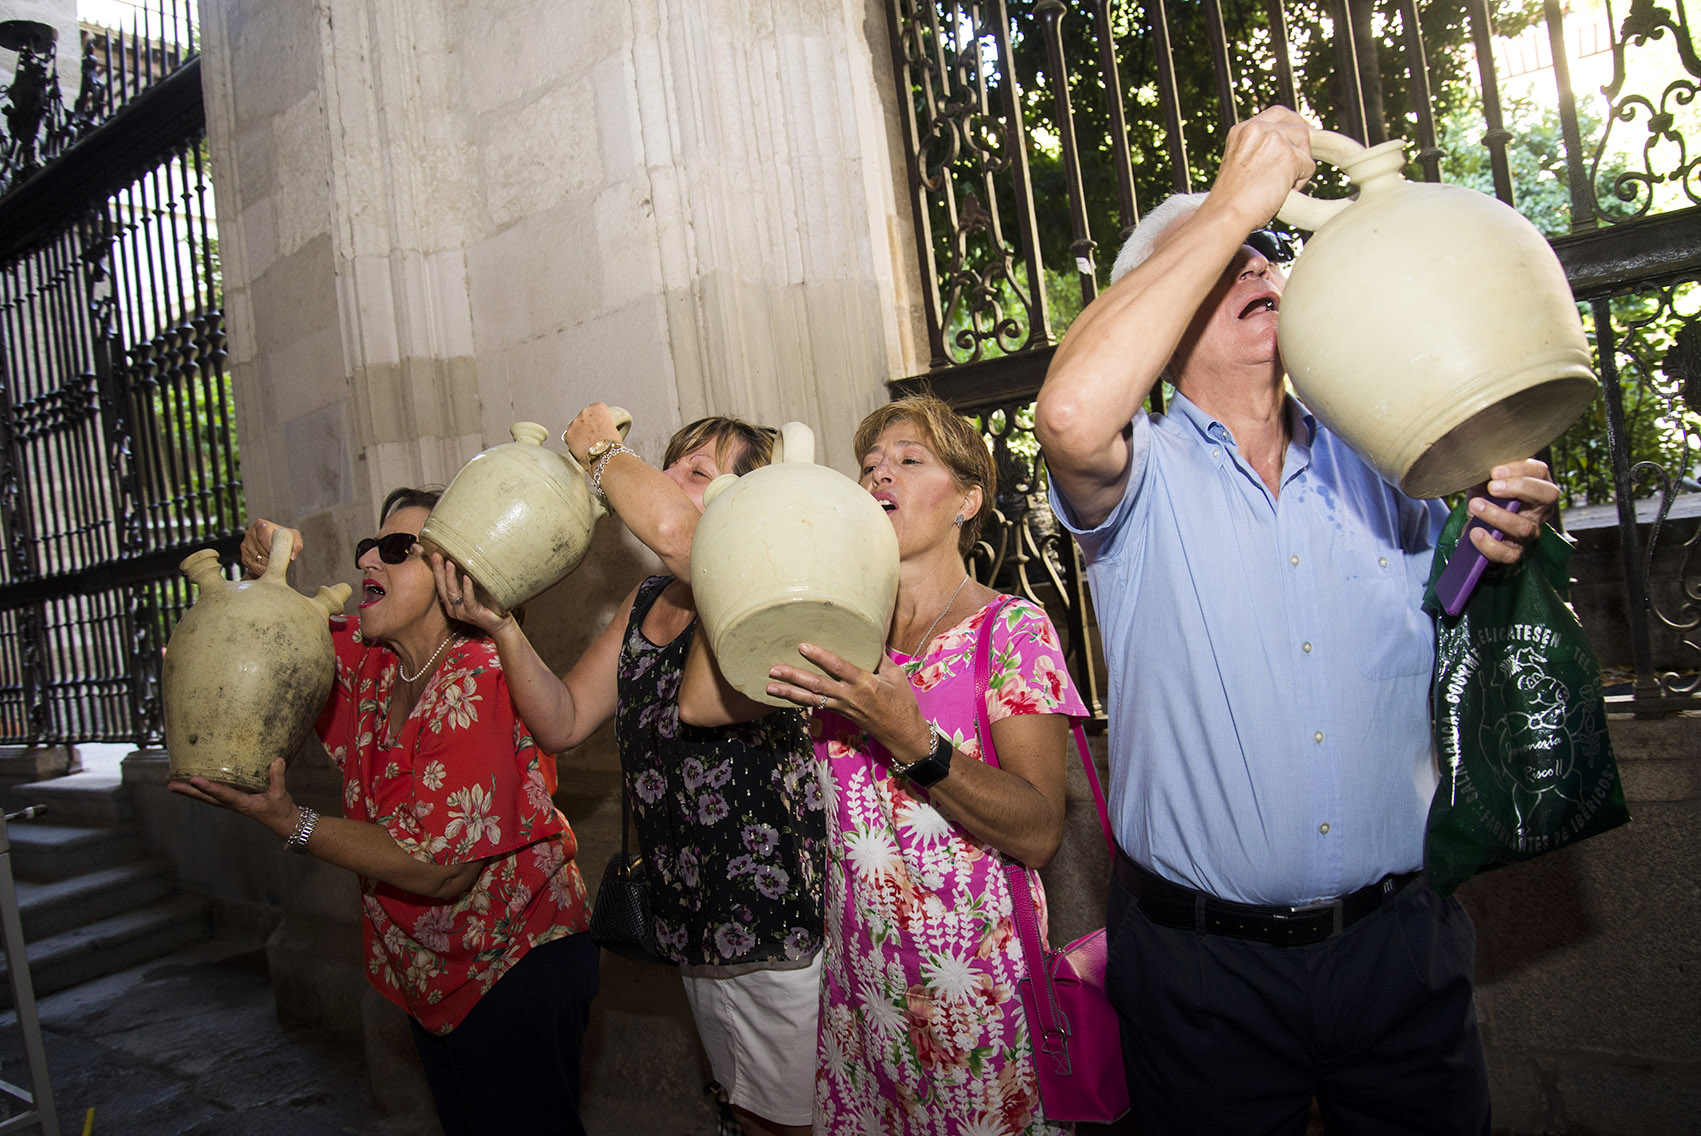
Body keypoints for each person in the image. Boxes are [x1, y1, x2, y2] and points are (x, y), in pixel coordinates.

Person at [1032, 105, 1563, 1134]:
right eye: (1223, 258)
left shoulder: (1389, 454)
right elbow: (1067, 413)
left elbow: (1451, 611)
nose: (1257, 262)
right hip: (1203, 977)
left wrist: (1497, 536)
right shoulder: (1138, 480)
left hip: (1402, 950)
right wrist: (1230, 204)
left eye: (1268, 249)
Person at [435, 406, 824, 1136]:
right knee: (744, 1111)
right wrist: (501, 624)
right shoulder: (644, 603)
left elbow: (685, 539)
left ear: (745, 499)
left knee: (795, 1119)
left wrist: (602, 453)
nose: (671, 478)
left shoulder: (758, 585)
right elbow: (562, 720)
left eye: (699, 471)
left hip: (771, 913)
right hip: (692, 913)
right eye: (672, 462)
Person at [169, 488, 597, 1136]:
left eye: (398, 549)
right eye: (370, 545)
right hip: (428, 972)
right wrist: (267, 569)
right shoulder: (372, 665)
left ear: (456, 576)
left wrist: (291, 822)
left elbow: (438, 871)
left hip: (513, 965)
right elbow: (269, 643)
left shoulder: (478, 677)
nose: (369, 558)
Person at [753, 394, 1089, 1136]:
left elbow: (1037, 833)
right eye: (870, 465)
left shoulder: (1009, 631)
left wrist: (916, 743)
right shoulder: (834, 637)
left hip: (971, 997)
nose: (880, 475)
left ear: (967, 499)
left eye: (909, 461)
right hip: (859, 995)